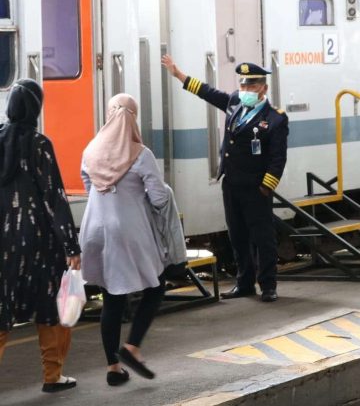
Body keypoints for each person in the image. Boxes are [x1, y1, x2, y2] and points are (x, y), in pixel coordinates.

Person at [161, 55, 288, 302]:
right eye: (243, 85)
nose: (245, 90)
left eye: (251, 86)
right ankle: (245, 283)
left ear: (263, 88)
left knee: (263, 237)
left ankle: (268, 285)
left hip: (256, 187)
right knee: (237, 235)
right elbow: (208, 93)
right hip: (231, 184)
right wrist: (179, 75)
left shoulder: (275, 118)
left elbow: (277, 158)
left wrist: (266, 186)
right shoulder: (234, 103)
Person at [79, 93, 171, 386]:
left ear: (109, 115)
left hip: (94, 231)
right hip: (128, 233)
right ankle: (132, 347)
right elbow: (158, 198)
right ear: (133, 117)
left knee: (112, 297)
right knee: (156, 286)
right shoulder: (140, 153)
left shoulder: (91, 150)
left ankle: (113, 368)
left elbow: (87, 184)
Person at [0, 78, 81, 393]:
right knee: (49, 308)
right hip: (39, 243)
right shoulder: (39, 144)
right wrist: (71, 246)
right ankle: (53, 376)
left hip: (3, 245)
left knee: (2, 309)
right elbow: (55, 198)